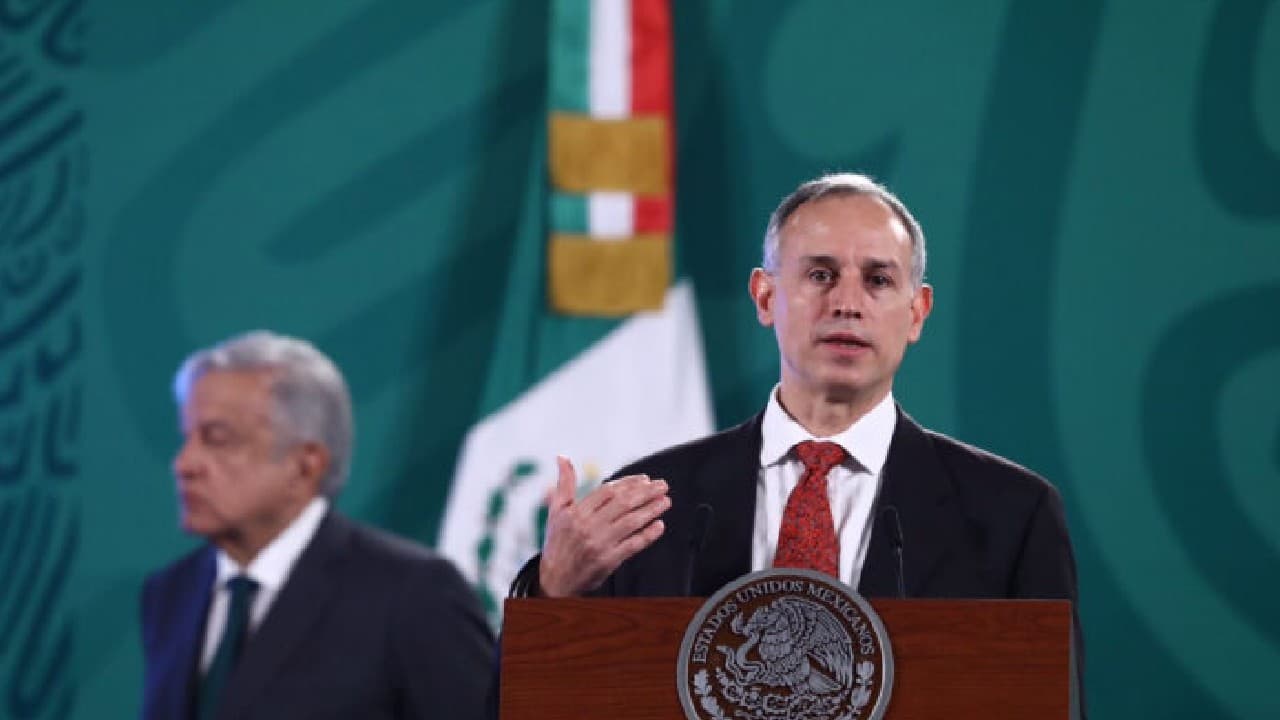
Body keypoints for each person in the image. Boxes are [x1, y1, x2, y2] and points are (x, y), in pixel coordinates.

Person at [510, 172, 1084, 711]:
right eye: (820, 275)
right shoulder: (654, 508)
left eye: (878, 280)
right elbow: (538, 706)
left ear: (917, 312)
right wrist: (554, 590)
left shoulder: (1011, 515)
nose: (847, 303)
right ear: (765, 297)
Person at [140, 331, 494, 720]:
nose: (184, 463)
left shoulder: (413, 593)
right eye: (187, 437)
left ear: (305, 465)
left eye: (217, 439)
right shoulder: (171, 593)